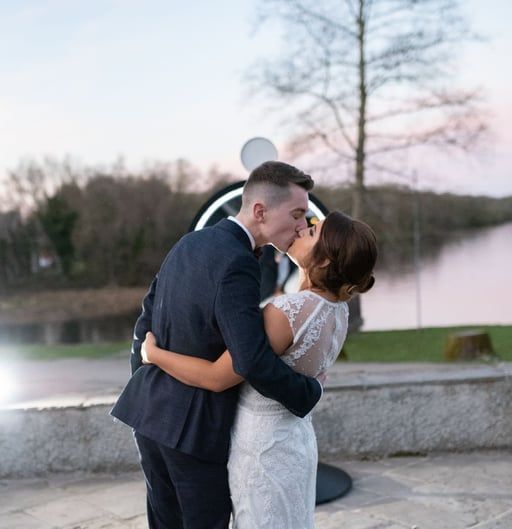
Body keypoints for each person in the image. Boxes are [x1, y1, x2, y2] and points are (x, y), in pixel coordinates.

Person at [110, 161, 324, 529]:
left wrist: (147, 377)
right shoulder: (238, 262)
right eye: (296, 214)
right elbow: (251, 358)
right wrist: (307, 393)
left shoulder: (189, 242)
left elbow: (146, 316)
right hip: (193, 430)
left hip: (147, 416)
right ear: (260, 211)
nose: (302, 225)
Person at [141, 211, 377, 529]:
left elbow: (216, 376)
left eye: (311, 233)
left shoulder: (285, 313)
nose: (301, 230)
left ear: (323, 262)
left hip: (262, 448)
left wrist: (154, 354)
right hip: (296, 442)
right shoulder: (338, 311)